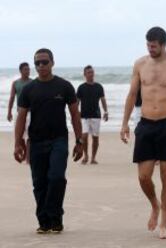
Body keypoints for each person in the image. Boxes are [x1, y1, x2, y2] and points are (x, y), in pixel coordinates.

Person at [120, 27, 166, 239]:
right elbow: (132, 94)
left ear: (163, 44)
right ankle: (155, 204)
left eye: (154, 46)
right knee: (144, 176)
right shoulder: (140, 64)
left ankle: (164, 223)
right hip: (145, 124)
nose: (150, 49)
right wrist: (124, 123)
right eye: (148, 45)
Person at [14, 48, 83, 234]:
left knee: (56, 177)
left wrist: (79, 141)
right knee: (39, 183)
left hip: (59, 140)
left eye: (45, 62)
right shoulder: (29, 89)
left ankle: (55, 215)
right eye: (37, 63)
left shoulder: (64, 86)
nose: (41, 66)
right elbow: (21, 116)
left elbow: (75, 114)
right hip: (35, 142)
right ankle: (44, 222)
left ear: (53, 62)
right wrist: (18, 142)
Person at [77, 65, 108, 165]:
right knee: (84, 136)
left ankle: (93, 158)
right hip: (84, 116)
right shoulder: (81, 87)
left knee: (95, 138)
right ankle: (85, 155)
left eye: (92, 72)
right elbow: (77, 102)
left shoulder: (99, 87)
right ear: (85, 74)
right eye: (89, 72)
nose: (91, 74)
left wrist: (106, 112)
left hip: (96, 115)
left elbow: (103, 100)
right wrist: (75, 113)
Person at [7, 62, 33, 163]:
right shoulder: (16, 83)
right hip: (20, 113)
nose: (28, 71)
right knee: (20, 137)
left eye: (28, 69)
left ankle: (28, 158)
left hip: (31, 113)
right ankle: (25, 152)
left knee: (30, 136)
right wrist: (9, 112)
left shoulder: (33, 82)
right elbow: (12, 98)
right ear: (21, 71)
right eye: (26, 69)